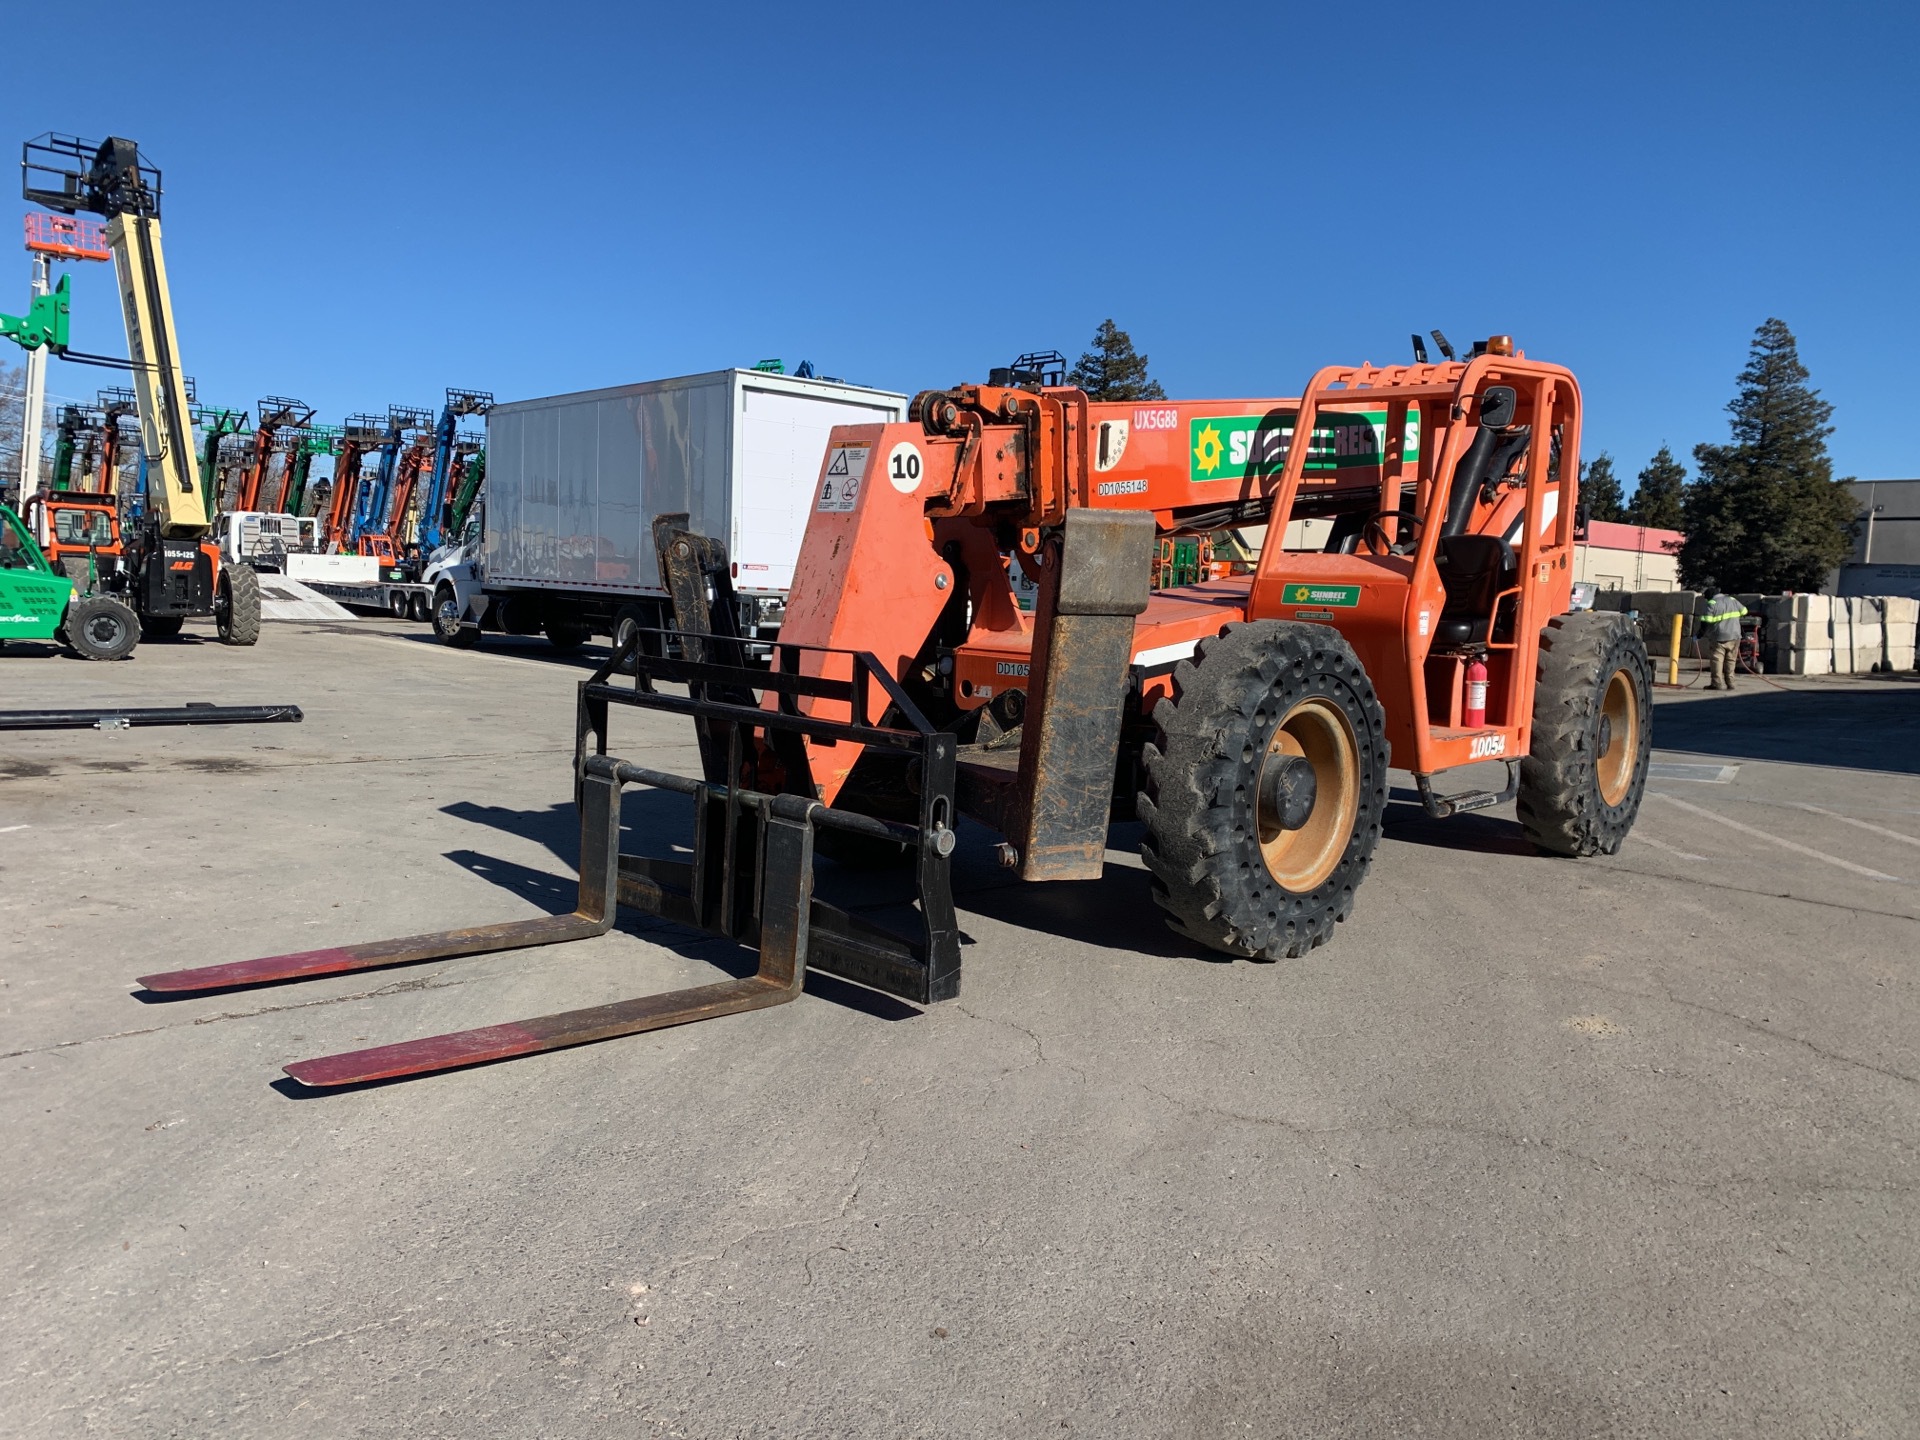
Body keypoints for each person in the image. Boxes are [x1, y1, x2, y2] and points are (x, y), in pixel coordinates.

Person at [1695, 579, 1748, 691]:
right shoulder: (1732, 599)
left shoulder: (1712, 603)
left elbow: (1706, 621)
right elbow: (1744, 611)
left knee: (1717, 660)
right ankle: (1731, 683)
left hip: (1719, 637)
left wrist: (1698, 635)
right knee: (1731, 660)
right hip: (1735, 636)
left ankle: (1717, 683)